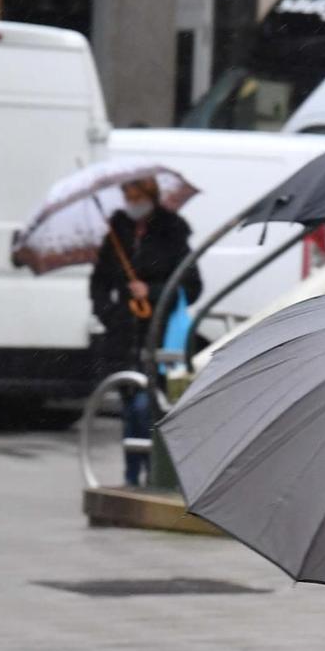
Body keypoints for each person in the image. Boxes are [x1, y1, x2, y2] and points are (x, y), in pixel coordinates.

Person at [90, 177, 202, 487]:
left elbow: (192, 286)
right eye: (127, 197)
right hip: (124, 337)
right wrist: (110, 313)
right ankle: (131, 474)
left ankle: (153, 471)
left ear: (150, 198)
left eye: (136, 197)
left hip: (160, 334)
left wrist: (150, 292)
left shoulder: (173, 233)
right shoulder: (117, 232)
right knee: (131, 408)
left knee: (147, 407)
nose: (131, 203)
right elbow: (99, 281)